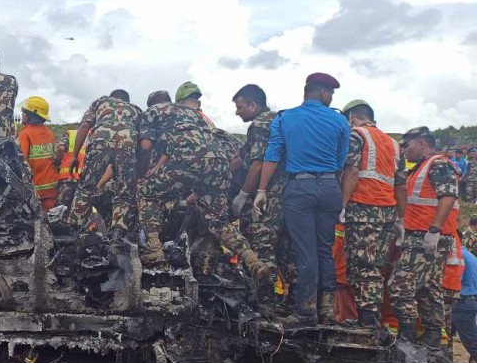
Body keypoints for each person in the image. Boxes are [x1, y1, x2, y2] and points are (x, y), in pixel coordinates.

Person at [138, 83, 272, 280]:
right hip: (218, 164)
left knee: (146, 193)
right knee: (217, 221)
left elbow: (146, 145)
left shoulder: (152, 113)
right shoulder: (193, 115)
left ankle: (154, 250)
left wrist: (142, 174)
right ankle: (253, 261)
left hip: (188, 160)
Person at [255, 73, 349, 326]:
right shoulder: (340, 121)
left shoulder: (285, 118)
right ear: (321, 93)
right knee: (325, 250)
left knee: (305, 252)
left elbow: (273, 156)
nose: (331, 99)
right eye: (330, 94)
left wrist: (261, 191)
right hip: (330, 187)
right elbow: (341, 161)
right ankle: (327, 311)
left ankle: (306, 311)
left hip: (300, 188)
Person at [387, 126, 460, 351]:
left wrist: (435, 230)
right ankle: (433, 341)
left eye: (407, 145)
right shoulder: (420, 168)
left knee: (399, 285)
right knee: (428, 290)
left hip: (427, 236)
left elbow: (448, 196)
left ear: (422, 143)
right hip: (421, 235)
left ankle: (407, 337)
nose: (404, 150)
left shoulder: (438, 164)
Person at [338, 99, 404, 328]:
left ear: (352, 117)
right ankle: (370, 316)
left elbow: (352, 170)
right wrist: (401, 218)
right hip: (387, 211)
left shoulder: (356, 135)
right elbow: (400, 183)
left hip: (363, 208)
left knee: (362, 266)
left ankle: (367, 320)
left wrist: (343, 205)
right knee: (374, 266)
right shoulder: (393, 143)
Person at [231, 84, 291, 310]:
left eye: (240, 107)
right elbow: (242, 159)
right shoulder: (279, 120)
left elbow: (257, 165)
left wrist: (244, 194)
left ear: (253, 105)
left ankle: (266, 304)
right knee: (286, 248)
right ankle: (293, 304)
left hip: (269, 196)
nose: (237, 112)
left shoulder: (258, 125)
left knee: (261, 244)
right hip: (291, 194)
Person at [66, 90, 140, 240]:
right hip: (128, 144)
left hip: (100, 141)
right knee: (123, 193)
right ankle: (117, 235)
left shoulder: (100, 102)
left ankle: (73, 231)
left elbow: (85, 125)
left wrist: (74, 155)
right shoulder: (136, 110)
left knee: (85, 188)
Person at [17, 96, 59, 211]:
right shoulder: (49, 132)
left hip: (35, 189)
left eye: (24, 112)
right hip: (52, 187)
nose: (22, 115)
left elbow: (20, 162)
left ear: (31, 115)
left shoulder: (25, 134)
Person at [453, 247, 477, 363]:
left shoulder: (456, 254)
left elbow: (456, 279)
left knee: (469, 334)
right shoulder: (469, 254)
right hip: (472, 298)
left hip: (464, 299)